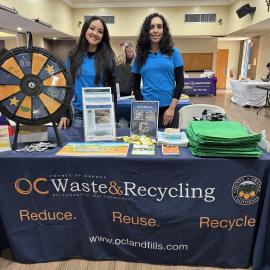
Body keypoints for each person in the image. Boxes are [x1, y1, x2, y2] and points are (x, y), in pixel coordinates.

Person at [58, 16, 117, 129]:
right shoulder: (73, 57)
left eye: (100, 31)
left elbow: (112, 90)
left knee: (103, 147)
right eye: (92, 28)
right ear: (85, 29)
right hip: (79, 114)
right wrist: (64, 114)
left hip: (102, 114)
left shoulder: (109, 58)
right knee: (78, 147)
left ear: (103, 36)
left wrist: (113, 116)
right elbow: (66, 87)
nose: (95, 33)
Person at [132, 13, 184, 129]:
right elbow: (135, 85)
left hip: (168, 109)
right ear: (146, 31)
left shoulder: (174, 53)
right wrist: (142, 106)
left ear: (164, 30)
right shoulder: (139, 56)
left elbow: (180, 83)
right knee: (146, 144)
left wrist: (172, 108)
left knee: (167, 145)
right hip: (146, 108)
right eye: (151, 27)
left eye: (159, 27)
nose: (155, 30)